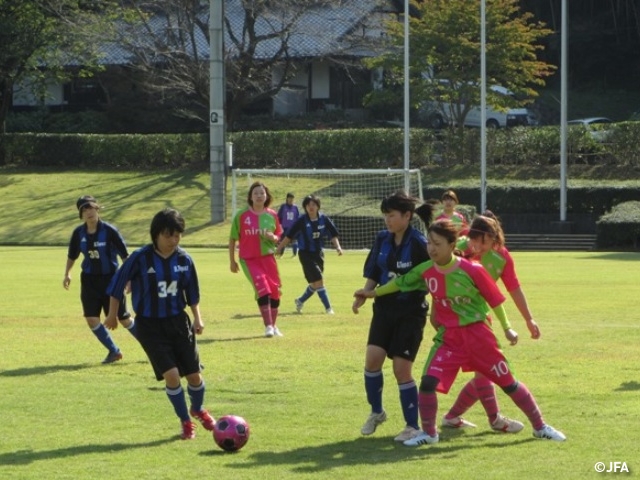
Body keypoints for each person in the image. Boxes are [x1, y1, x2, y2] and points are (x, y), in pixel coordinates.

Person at [354, 219, 566, 446]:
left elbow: (495, 300)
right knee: (427, 384)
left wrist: (507, 328)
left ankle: (540, 427)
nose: (431, 249)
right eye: (430, 244)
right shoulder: (426, 270)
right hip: (449, 339)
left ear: (452, 243)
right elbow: (401, 282)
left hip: (479, 336)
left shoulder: (473, 269)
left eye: (437, 244)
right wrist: (373, 293)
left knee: (509, 383)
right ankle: (430, 434)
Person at [105, 208, 215, 440]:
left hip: (178, 323)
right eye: (168, 236)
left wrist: (197, 317)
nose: (173, 241)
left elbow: (192, 293)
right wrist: (112, 315)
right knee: (173, 375)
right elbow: (118, 285)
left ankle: (197, 408)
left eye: (177, 235)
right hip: (150, 326)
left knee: (194, 375)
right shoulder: (140, 257)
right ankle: (186, 421)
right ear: (156, 235)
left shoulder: (185, 259)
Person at [442, 211, 541, 433]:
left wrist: (528, 319)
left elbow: (514, 288)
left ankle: (455, 416)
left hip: (478, 318)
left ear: (494, 236)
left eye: (484, 240)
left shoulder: (502, 257)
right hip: (454, 318)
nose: (479, 245)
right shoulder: (462, 247)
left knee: (483, 371)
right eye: (476, 239)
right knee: (483, 370)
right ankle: (492, 420)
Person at [351, 191, 434, 442]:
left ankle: (412, 426)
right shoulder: (382, 239)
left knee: (401, 369)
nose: (387, 220)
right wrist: (364, 294)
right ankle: (377, 412)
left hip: (410, 313)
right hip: (384, 310)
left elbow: (433, 276)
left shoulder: (420, 243)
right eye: (385, 215)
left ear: (407, 216)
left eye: (391, 215)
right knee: (372, 360)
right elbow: (375, 269)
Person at [63, 195, 137, 364]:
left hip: (111, 279)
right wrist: (67, 273)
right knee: (91, 318)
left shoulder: (109, 231)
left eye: (91, 208)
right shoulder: (78, 233)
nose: (89, 212)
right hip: (89, 281)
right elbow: (72, 255)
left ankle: (154, 348)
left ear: (97, 209)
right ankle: (114, 351)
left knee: (124, 319)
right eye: (85, 209)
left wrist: (129, 279)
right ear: (81, 214)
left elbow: (125, 256)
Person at [229, 181, 284, 337]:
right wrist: (232, 261)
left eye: (262, 193)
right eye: (256, 193)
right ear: (250, 197)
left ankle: (273, 325)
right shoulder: (241, 215)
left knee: (275, 291)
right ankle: (268, 326)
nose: (259, 196)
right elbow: (233, 239)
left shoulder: (272, 215)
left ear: (266, 195)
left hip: (268, 259)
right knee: (263, 288)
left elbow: (278, 236)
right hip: (249, 259)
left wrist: (272, 236)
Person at [276, 194, 342, 314]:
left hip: (319, 253)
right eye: (308, 205)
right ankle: (328, 308)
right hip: (305, 254)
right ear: (305, 207)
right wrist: (280, 247)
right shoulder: (301, 221)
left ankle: (300, 301)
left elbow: (333, 234)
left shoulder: (324, 219)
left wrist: (338, 247)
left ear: (318, 206)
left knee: (315, 283)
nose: (310, 207)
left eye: (313, 204)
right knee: (319, 280)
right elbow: (289, 236)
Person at [277, 192, 300, 257]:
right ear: (287, 199)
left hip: (293, 227)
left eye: (292, 199)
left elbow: (298, 218)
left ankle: (294, 255)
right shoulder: (283, 207)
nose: (291, 200)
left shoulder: (295, 207)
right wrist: (280, 225)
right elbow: (279, 217)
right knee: (283, 241)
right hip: (284, 227)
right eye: (290, 199)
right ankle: (280, 254)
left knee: (294, 241)